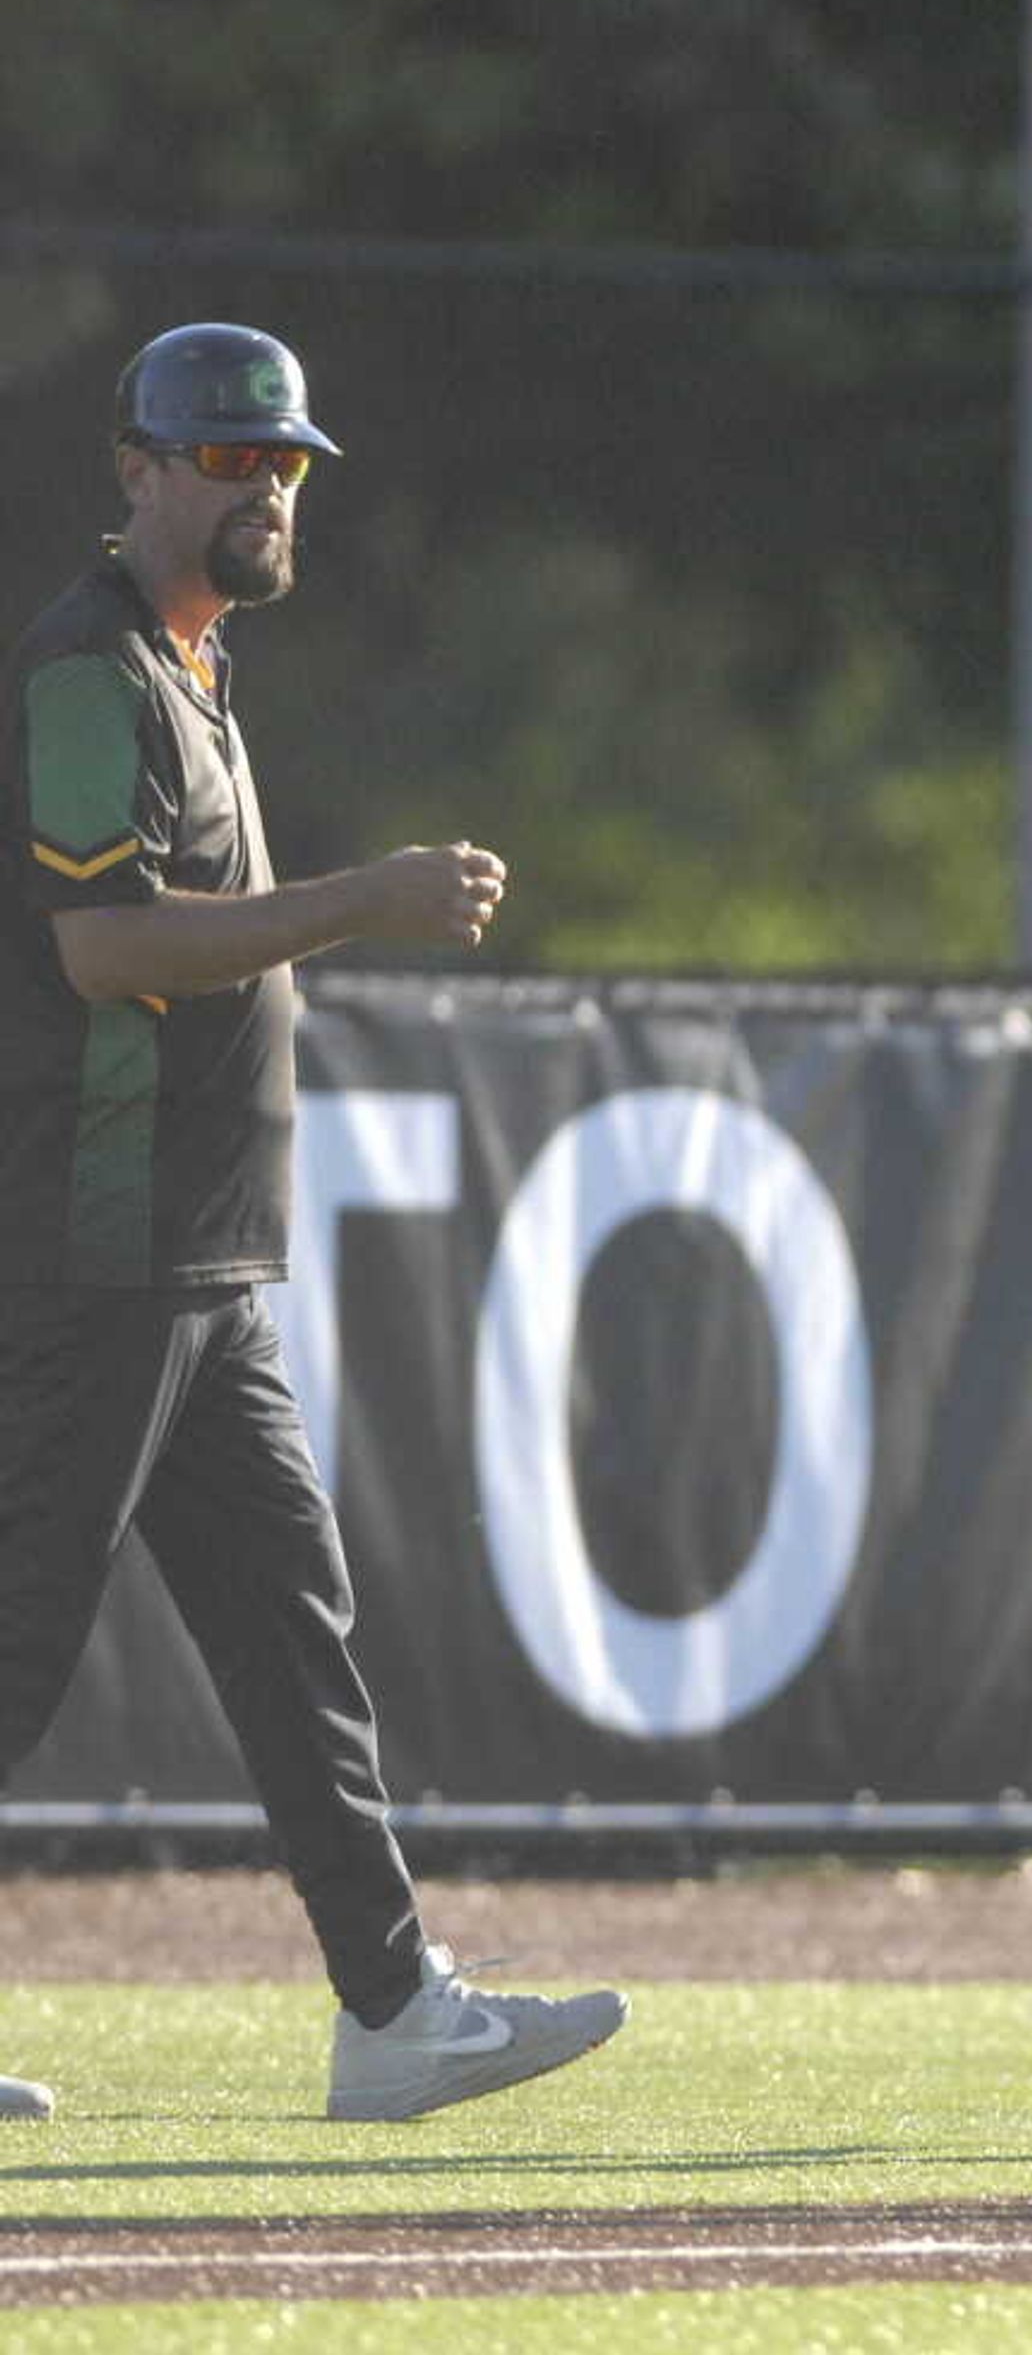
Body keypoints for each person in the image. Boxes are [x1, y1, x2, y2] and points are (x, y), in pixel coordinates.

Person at [1, 323, 626, 2122]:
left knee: (292, 1631)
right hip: (97, 1247)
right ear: (135, 469)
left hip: (198, 1259)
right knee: (21, 1642)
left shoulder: (191, 667)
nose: (265, 487)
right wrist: (365, 897)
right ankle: (397, 2000)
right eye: (225, 458)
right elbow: (104, 949)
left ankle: (394, 2009)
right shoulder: (84, 672)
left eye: (282, 464)